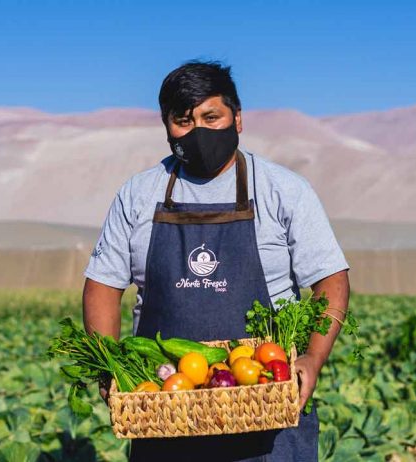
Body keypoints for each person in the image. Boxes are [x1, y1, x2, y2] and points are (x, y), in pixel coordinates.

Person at [82, 60, 350, 462]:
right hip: (164, 410)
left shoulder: (284, 190)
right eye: (183, 120)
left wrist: (312, 359)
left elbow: (331, 282)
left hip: (268, 407)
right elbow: (102, 286)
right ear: (166, 125)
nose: (199, 131)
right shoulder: (138, 195)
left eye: (212, 116)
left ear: (237, 119)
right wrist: (111, 367)